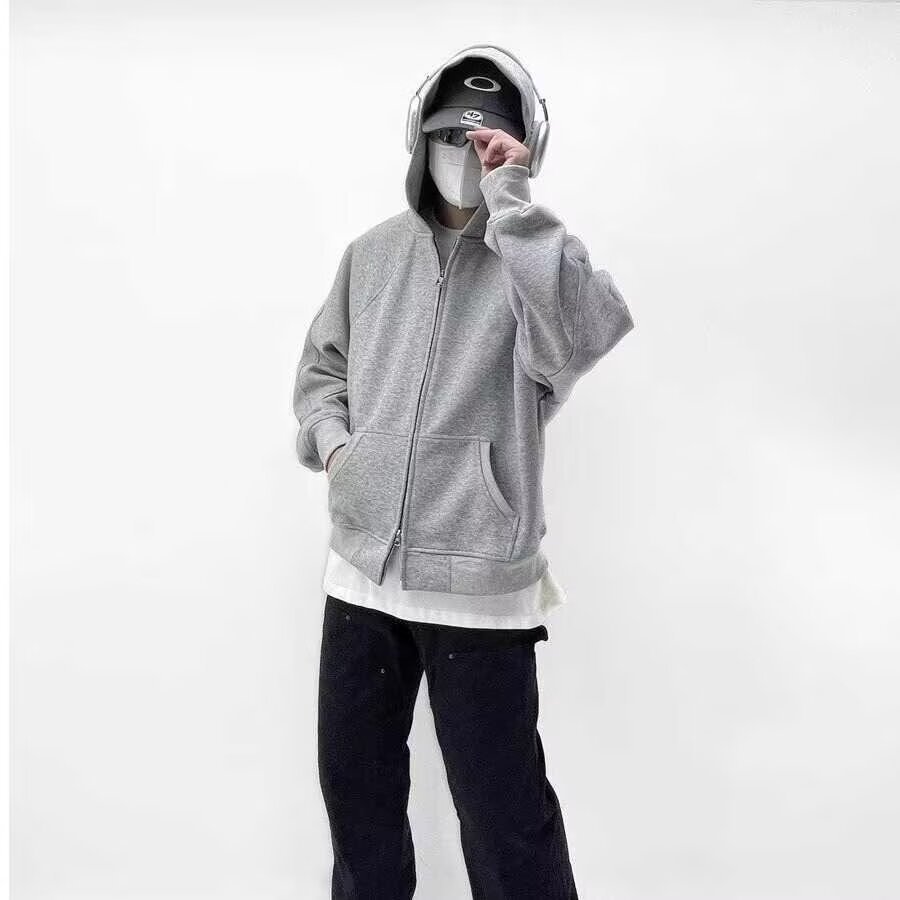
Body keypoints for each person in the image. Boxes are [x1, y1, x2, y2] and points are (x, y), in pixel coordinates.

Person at [293, 43, 634, 900]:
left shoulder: (537, 265)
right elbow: (323, 372)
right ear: (421, 137)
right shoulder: (371, 255)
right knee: (358, 808)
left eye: (486, 141)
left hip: (480, 591)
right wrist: (340, 454)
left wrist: (514, 203)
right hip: (362, 578)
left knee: (507, 822)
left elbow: (583, 336)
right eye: (450, 135)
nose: (464, 155)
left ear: (522, 147)